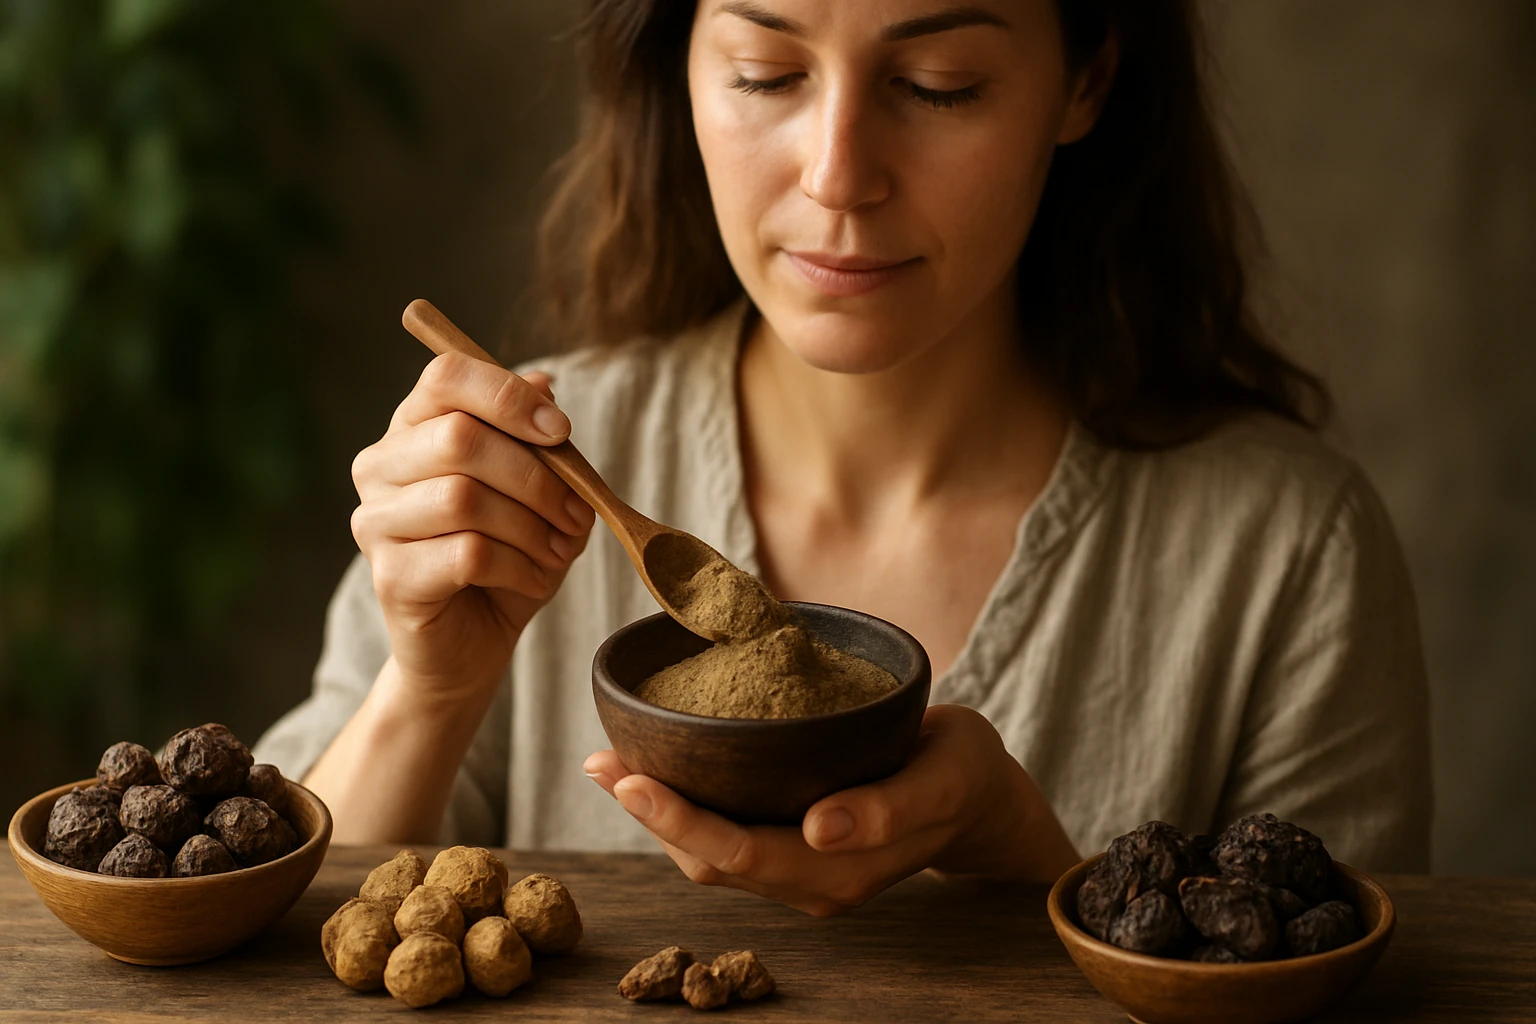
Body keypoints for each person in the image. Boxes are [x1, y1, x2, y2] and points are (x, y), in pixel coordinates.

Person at [255, 0, 1432, 916]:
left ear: (1086, 78)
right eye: (767, 72)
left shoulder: (1287, 552)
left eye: (937, 85)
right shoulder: (523, 465)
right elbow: (276, 947)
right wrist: (433, 690)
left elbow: (1337, 973)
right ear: (681, 65)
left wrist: (1032, 876)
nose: (837, 174)